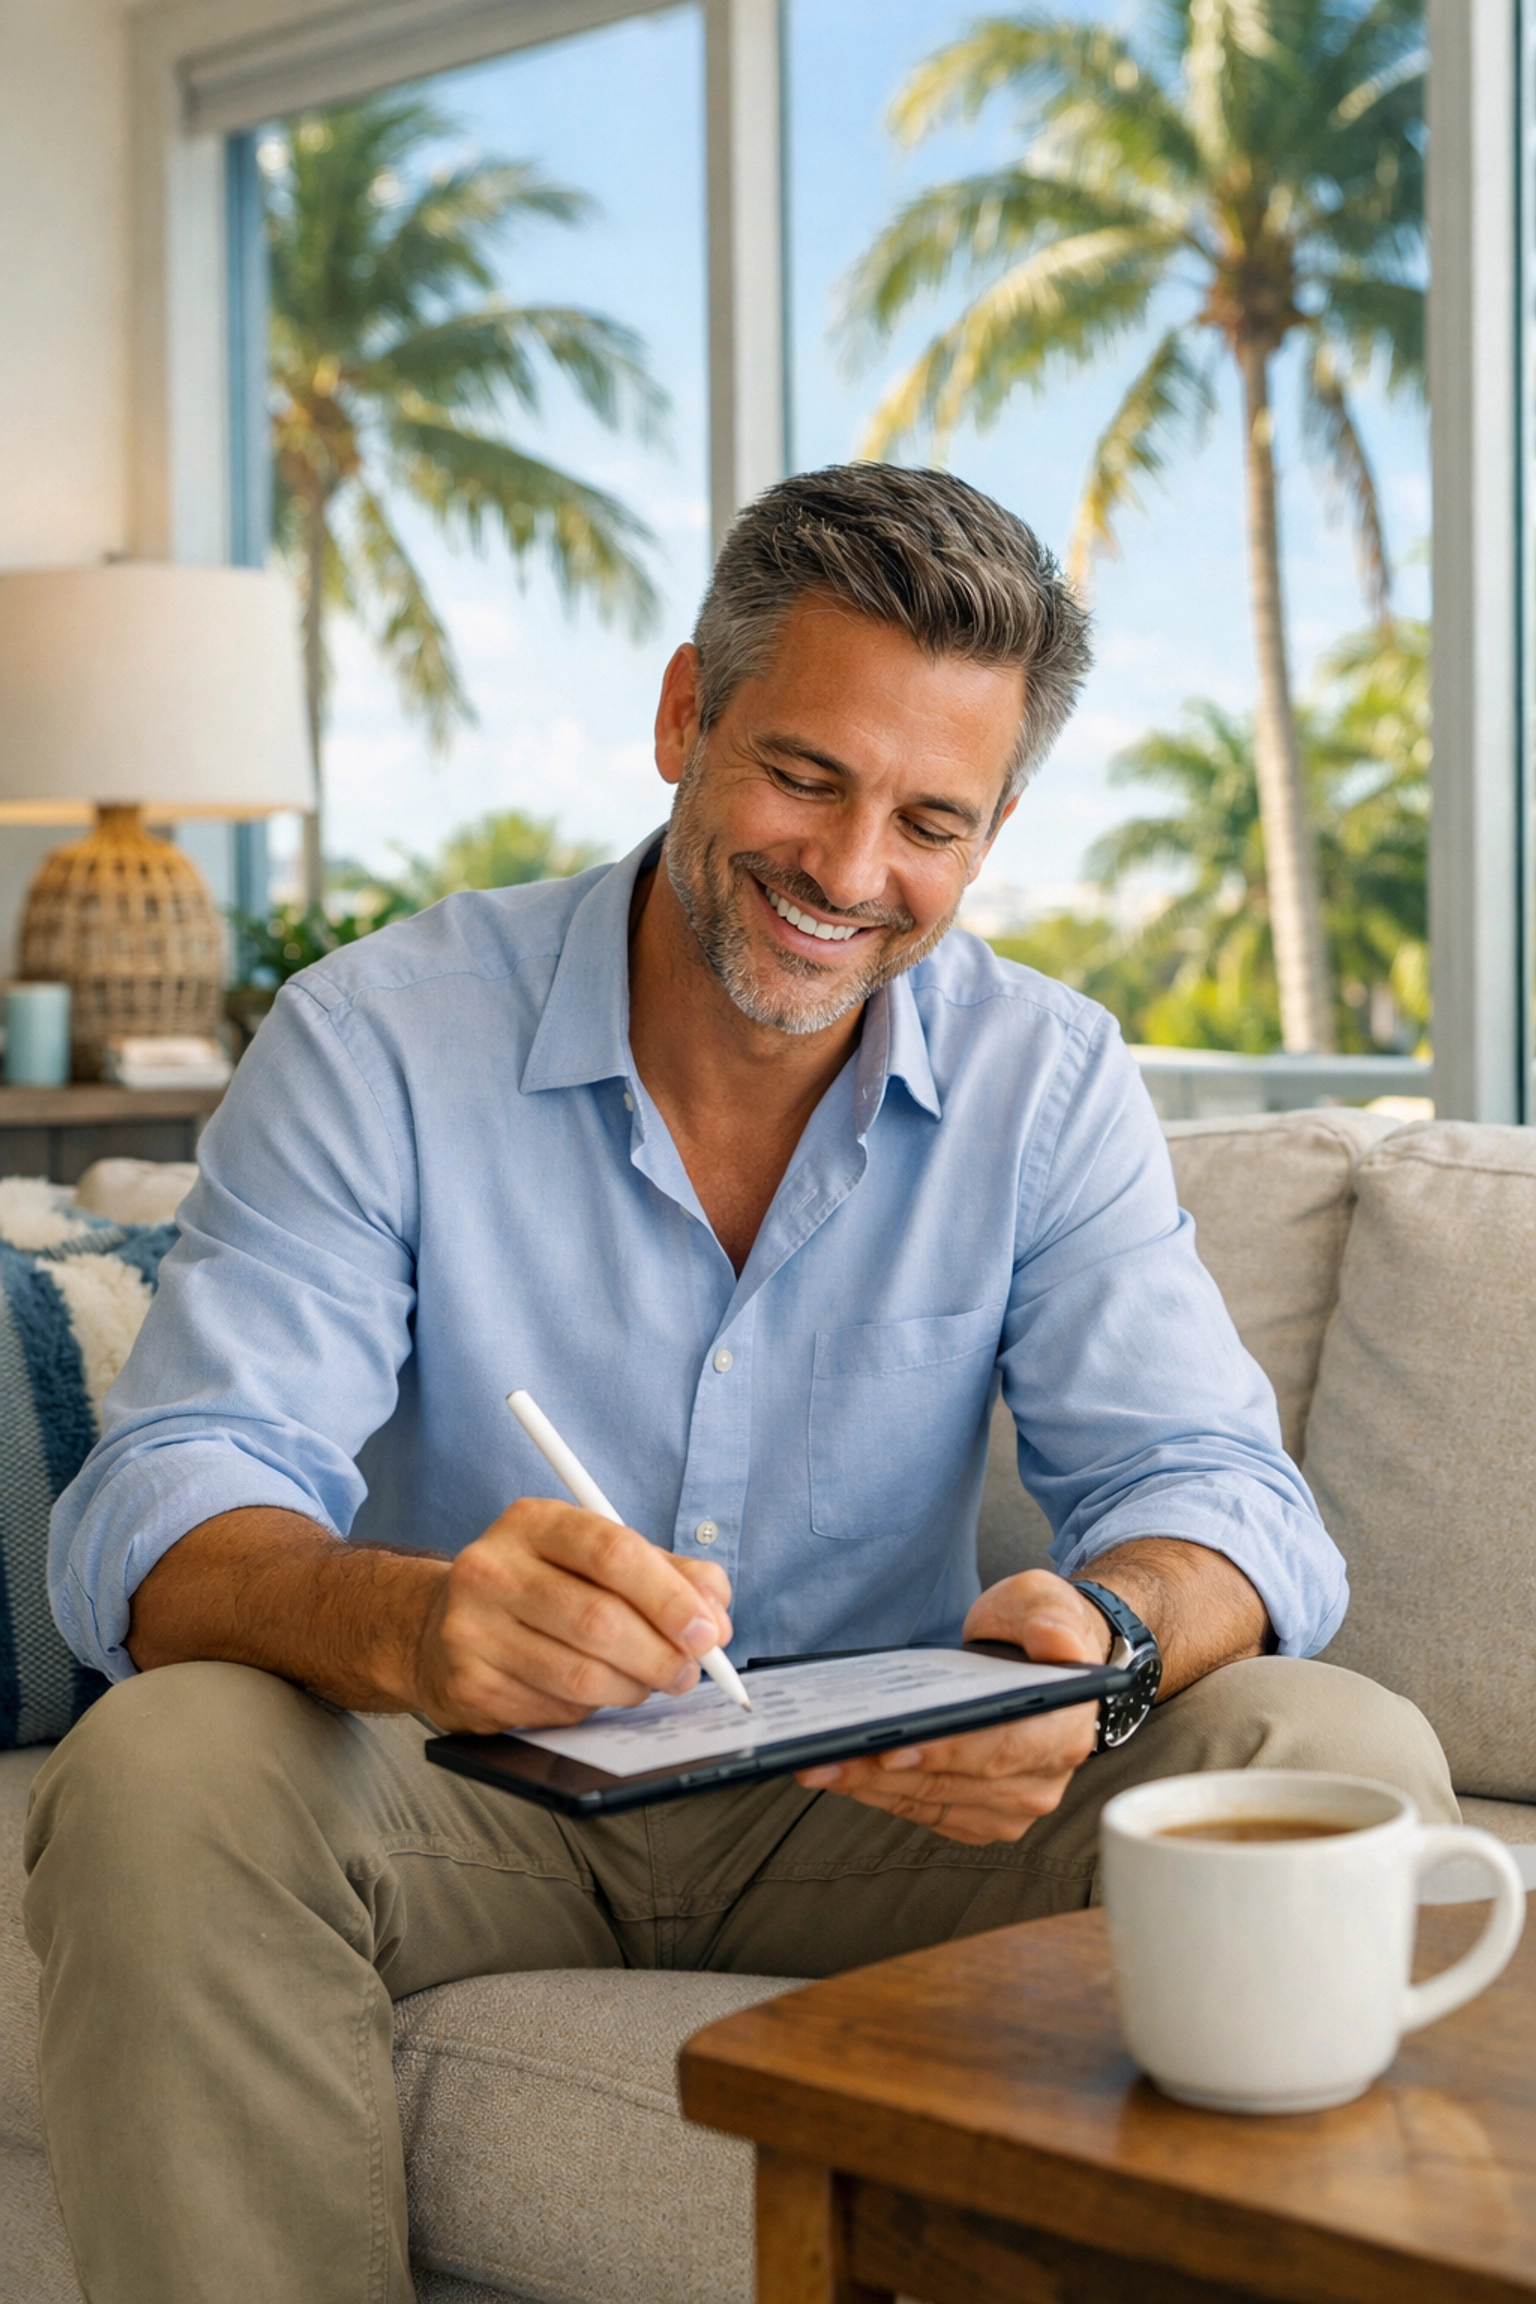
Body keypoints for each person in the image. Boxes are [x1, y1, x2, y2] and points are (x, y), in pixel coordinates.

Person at [25, 466, 1454, 2303]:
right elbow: (169, 1501)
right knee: (163, 1765)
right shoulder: (378, 1036)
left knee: (1337, 1752)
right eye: (803, 776)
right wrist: (421, 1624)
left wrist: (1106, 1647)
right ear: (685, 714)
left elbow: (1223, 1496)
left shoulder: (1049, 1081)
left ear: (992, 828)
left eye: (929, 819)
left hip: (879, 1808)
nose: (852, 876)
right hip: (470, 1789)